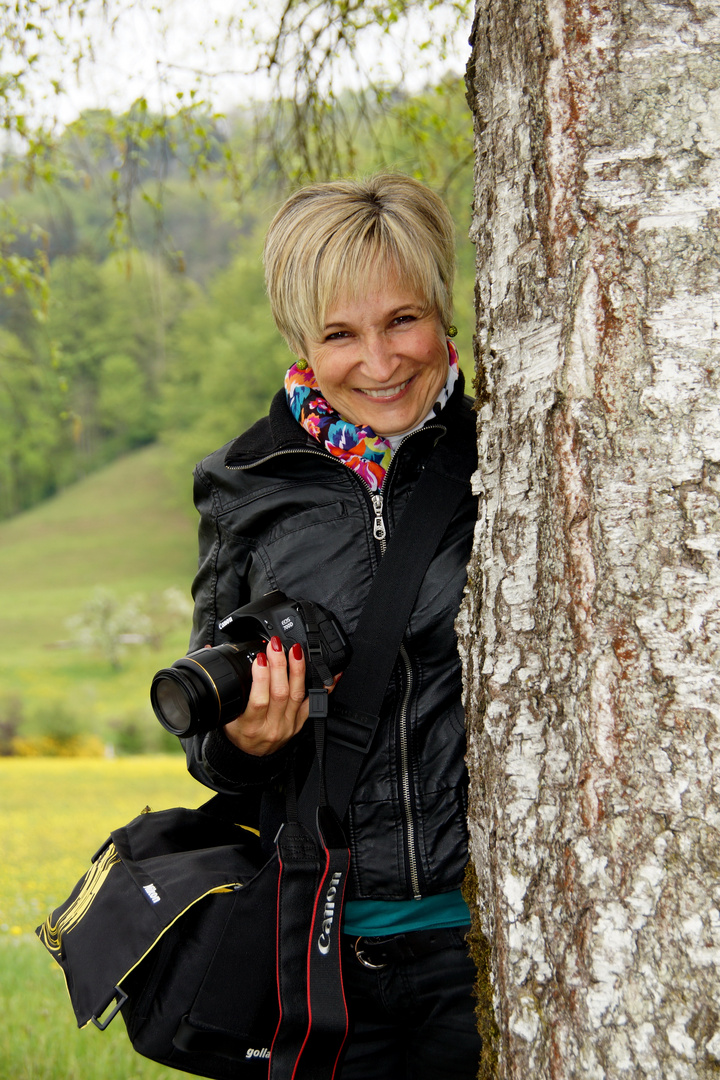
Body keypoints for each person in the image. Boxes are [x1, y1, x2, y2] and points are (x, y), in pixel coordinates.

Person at [184, 173, 481, 1079]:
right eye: (341, 334)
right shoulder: (246, 483)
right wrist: (241, 742)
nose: (381, 363)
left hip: (492, 945)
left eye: (402, 320)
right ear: (301, 345)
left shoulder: (517, 452)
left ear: (444, 312)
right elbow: (208, 741)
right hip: (319, 954)